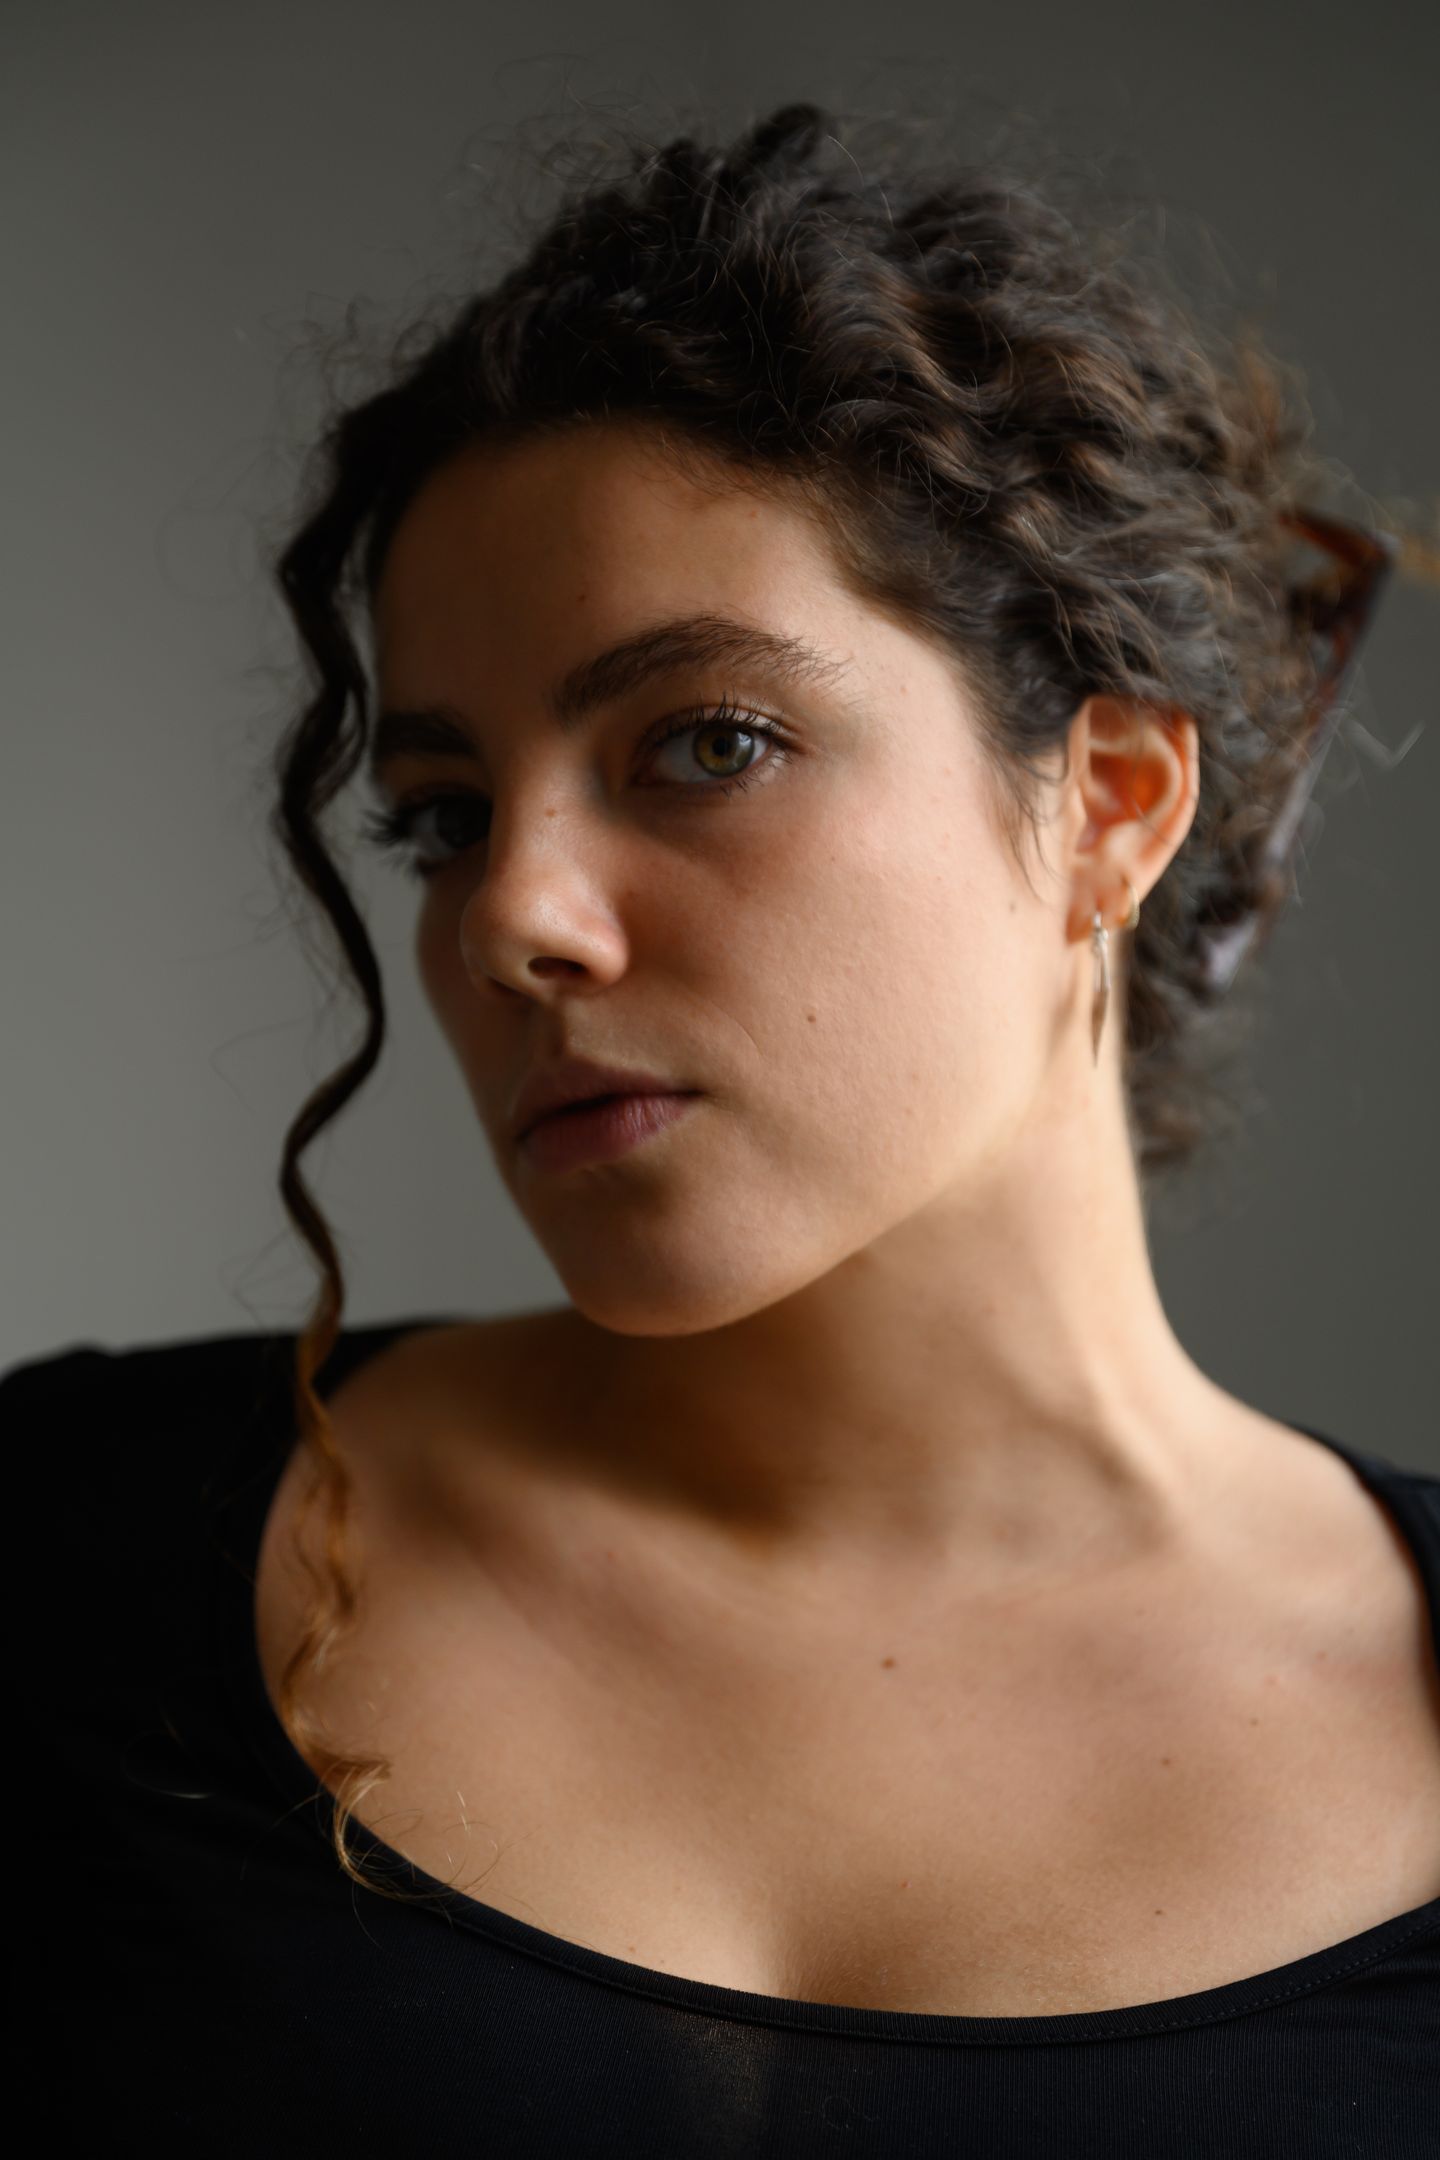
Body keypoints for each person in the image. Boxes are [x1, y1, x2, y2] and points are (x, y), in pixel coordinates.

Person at [12, 100, 1437, 2156]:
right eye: (444, 814)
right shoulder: (65, 1547)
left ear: (1112, 804)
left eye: (708, 742)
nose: (511, 914)